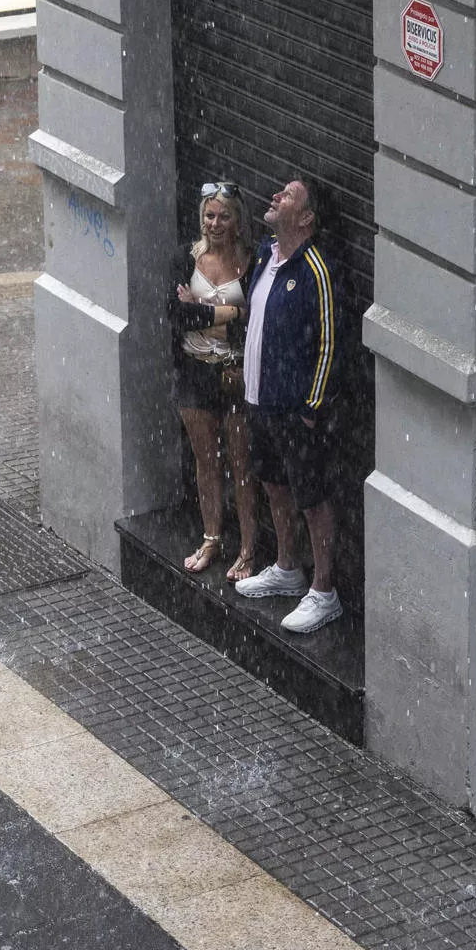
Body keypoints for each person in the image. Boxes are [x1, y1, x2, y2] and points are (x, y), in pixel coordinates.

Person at [234, 178, 342, 633]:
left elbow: (331, 342)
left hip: (295, 408)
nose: (275, 196)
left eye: (288, 196)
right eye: (278, 191)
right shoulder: (264, 254)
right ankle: (286, 568)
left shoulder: (315, 269)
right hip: (259, 400)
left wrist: (311, 406)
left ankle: (324, 592)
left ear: (305, 218)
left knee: (312, 497)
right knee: (274, 483)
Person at [170, 182, 261, 580]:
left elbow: (252, 327)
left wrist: (205, 310)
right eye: (209, 215)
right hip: (195, 371)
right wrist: (230, 314)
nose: (215, 223)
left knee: (242, 464)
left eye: (224, 216)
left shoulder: (252, 263)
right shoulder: (185, 259)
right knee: (206, 460)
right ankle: (211, 538)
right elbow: (177, 317)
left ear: (238, 221)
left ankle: (248, 548)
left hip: (236, 375)